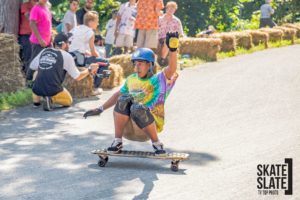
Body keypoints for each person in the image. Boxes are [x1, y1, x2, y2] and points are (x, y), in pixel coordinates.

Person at [83, 32, 179, 155]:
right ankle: (117, 142)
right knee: (123, 99)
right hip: (129, 129)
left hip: (146, 129)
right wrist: (100, 109)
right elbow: (117, 95)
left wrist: (173, 50)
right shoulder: (131, 79)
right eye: (135, 64)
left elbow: (172, 68)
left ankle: (157, 144)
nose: (136, 67)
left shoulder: (159, 80)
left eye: (140, 64)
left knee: (137, 107)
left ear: (149, 65)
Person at [29, 32, 99, 111]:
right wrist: (89, 69)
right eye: (69, 43)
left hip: (37, 88)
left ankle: (36, 101)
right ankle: (51, 99)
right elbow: (77, 77)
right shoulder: (66, 55)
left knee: (36, 72)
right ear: (65, 44)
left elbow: (32, 66)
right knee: (69, 101)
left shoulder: (44, 51)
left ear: (54, 43)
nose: (69, 45)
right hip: (52, 89)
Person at [69, 11, 109, 95]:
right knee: (105, 62)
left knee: (95, 60)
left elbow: (74, 45)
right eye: (96, 21)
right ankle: (95, 87)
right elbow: (93, 51)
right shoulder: (90, 32)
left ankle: (99, 81)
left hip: (70, 56)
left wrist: (86, 53)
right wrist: (100, 57)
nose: (97, 24)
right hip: (79, 59)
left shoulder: (76, 28)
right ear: (90, 22)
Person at [26, 0, 52, 82]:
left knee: (47, 62)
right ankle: (29, 81)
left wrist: (51, 36)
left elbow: (48, 24)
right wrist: (40, 39)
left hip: (47, 41)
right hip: (38, 42)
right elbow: (32, 24)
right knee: (34, 62)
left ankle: (42, 81)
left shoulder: (46, 7)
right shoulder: (36, 8)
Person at [158, 1, 183, 67]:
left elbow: (180, 33)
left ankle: (163, 59)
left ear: (175, 10)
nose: (170, 10)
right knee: (167, 40)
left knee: (169, 40)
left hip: (172, 38)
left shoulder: (177, 20)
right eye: (169, 8)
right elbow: (155, 30)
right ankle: (163, 59)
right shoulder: (160, 19)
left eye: (173, 9)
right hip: (161, 37)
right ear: (166, 9)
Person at [18, 0, 37, 73]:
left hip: (35, 36)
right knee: (27, 57)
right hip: (26, 35)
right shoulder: (25, 5)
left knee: (34, 57)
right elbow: (27, 15)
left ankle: (29, 76)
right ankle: (27, 77)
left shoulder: (39, 6)